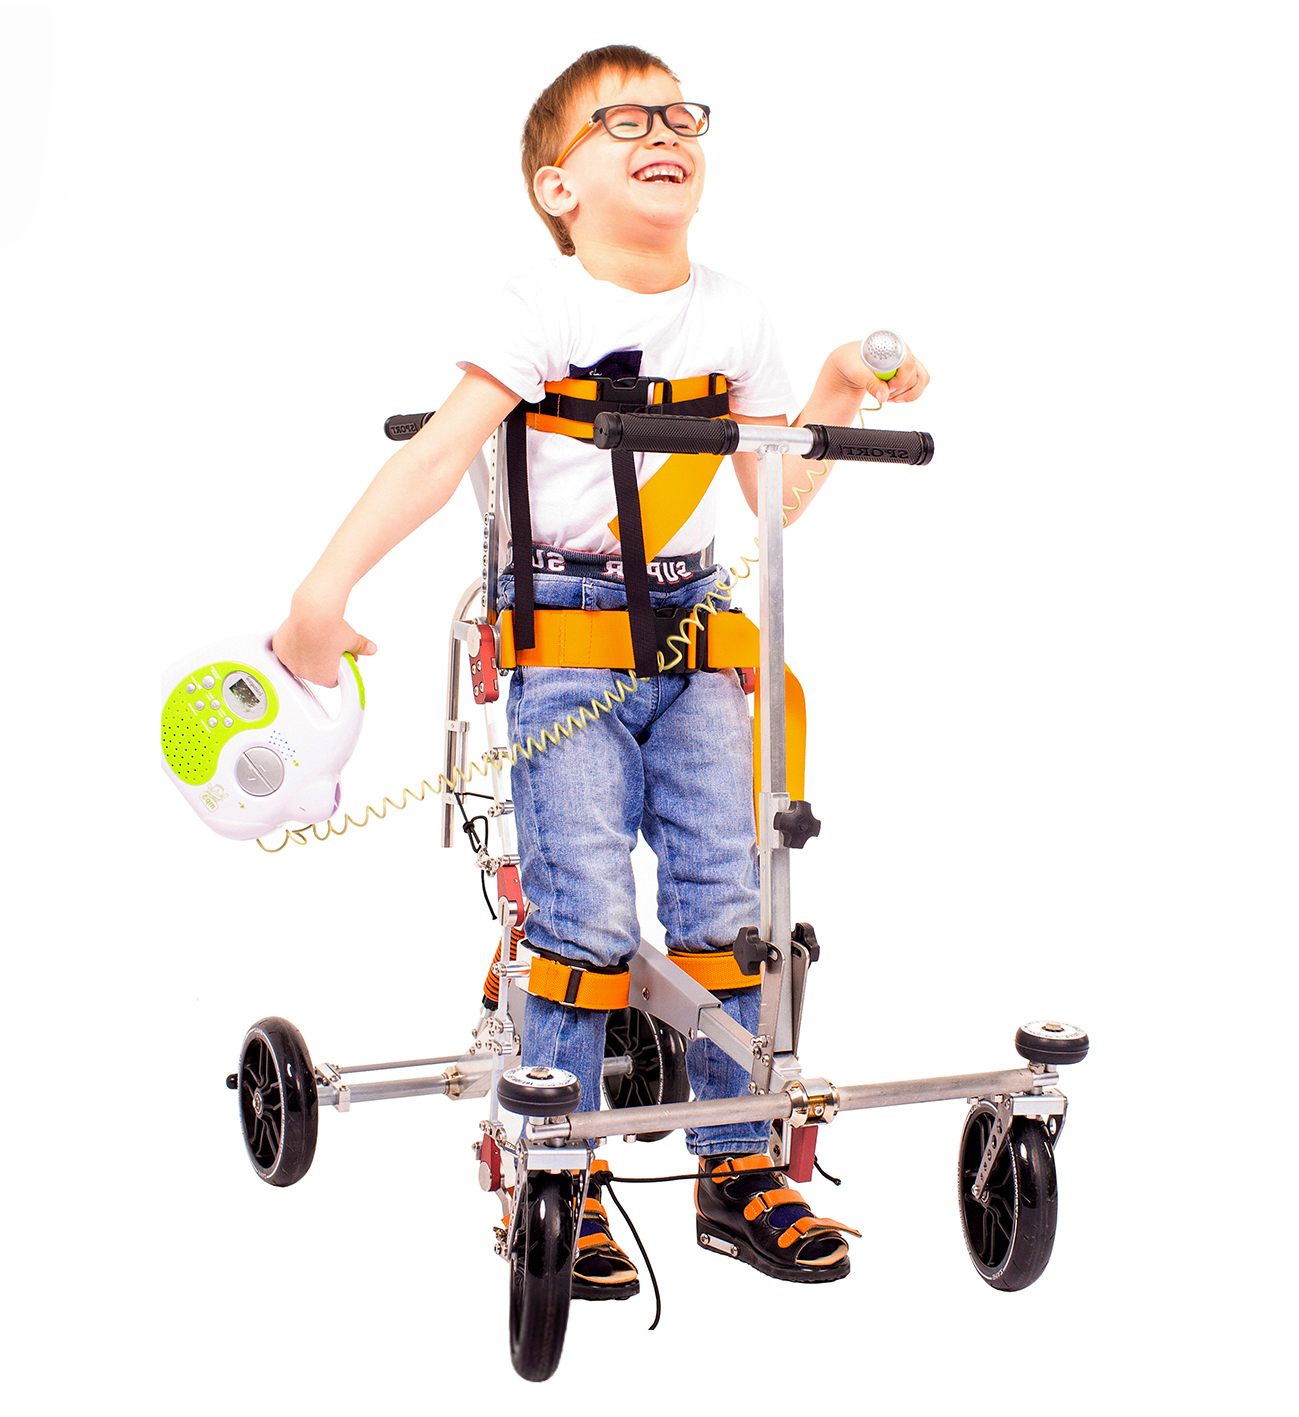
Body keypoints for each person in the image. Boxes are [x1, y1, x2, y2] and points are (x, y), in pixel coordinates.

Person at [273, 44, 929, 1295]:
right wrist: (322, 594)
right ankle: (558, 1175)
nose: (663, 130)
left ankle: (740, 1167)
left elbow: (775, 492)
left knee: (731, 909)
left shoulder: (737, 313)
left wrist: (839, 387)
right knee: (583, 923)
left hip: (695, 637)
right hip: (567, 646)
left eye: (679, 113)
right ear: (557, 186)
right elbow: (433, 460)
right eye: (623, 120)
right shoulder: (541, 308)